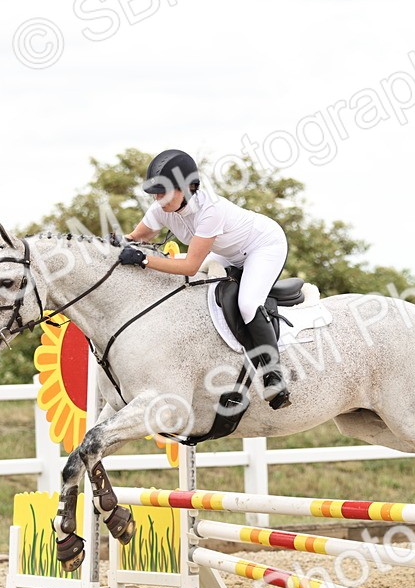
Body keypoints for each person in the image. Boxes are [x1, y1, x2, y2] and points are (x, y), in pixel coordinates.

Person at [119, 149, 291, 409]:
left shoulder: (211, 210)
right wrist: (114, 245)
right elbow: (136, 237)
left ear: (187, 188)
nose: (157, 198)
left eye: (163, 192)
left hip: (263, 246)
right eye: (155, 192)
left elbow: (189, 266)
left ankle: (273, 375)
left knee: (247, 303)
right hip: (228, 253)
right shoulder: (161, 208)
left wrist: (144, 260)